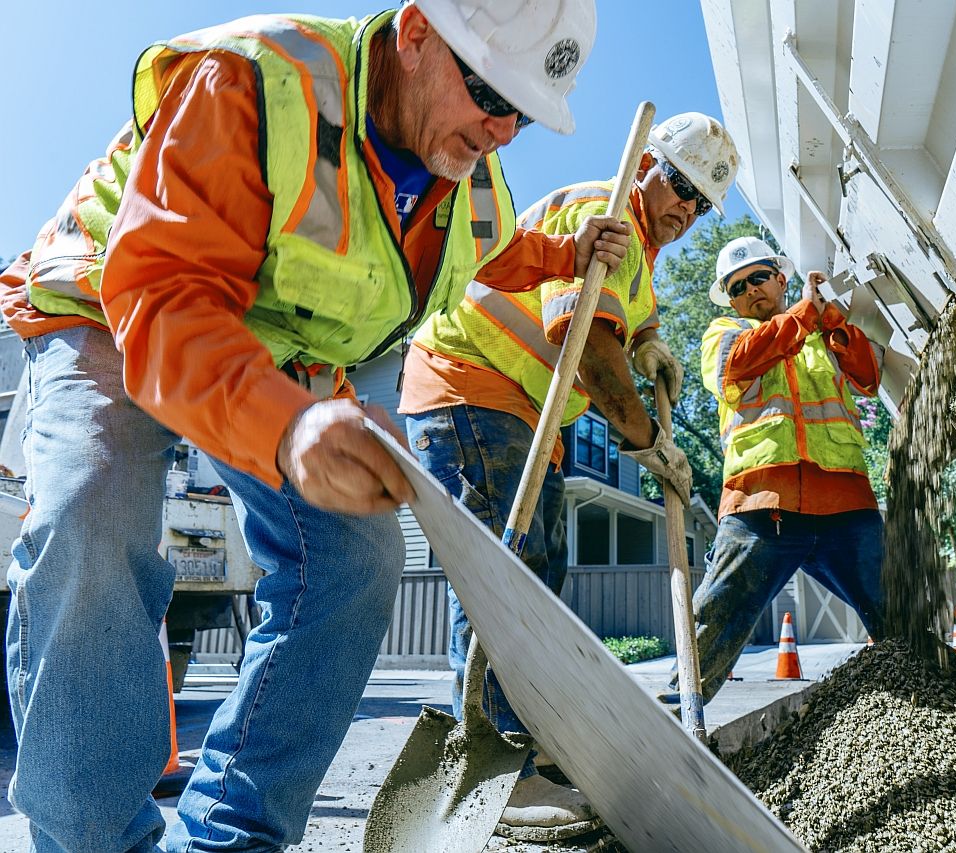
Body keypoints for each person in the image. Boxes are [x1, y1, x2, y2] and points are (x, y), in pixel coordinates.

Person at [5, 3, 633, 851]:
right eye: (489, 91)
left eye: (524, 111)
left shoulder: (474, 186)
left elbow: (500, 251)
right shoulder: (258, 82)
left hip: (269, 346)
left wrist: (569, 252)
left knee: (359, 554)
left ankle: (232, 834)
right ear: (414, 35)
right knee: (93, 512)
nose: (503, 129)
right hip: (113, 304)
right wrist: (288, 428)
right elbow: (164, 299)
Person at [399, 112, 739, 840]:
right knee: (504, 576)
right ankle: (497, 768)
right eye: (679, 183)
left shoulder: (639, 254)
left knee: (539, 582)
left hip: (526, 419)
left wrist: (649, 340)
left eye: (701, 202)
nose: (685, 207)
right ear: (646, 164)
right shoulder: (605, 209)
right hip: (471, 386)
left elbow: (624, 320)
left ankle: (530, 740)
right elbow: (588, 353)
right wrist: (650, 444)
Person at [668, 236, 884, 706]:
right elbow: (738, 363)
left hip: (845, 504)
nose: (748, 291)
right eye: (736, 286)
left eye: (758, 278)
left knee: (899, 612)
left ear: (781, 279)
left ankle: (934, 703)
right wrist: (806, 314)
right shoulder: (724, 333)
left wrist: (831, 322)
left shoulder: (823, 335)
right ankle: (671, 716)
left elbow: (868, 378)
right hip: (761, 504)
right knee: (713, 619)